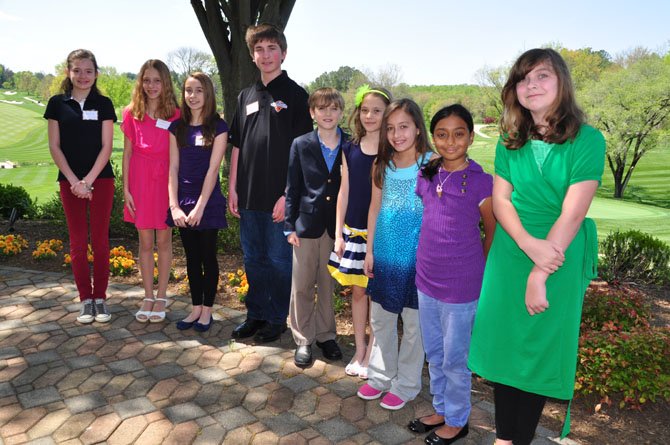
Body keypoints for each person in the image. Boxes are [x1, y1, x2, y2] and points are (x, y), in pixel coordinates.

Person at [468, 48, 606, 445]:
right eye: (524, 79)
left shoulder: (588, 139)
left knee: (536, 349)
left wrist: (541, 269)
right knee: (508, 347)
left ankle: (515, 438)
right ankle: (505, 438)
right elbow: (502, 201)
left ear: (562, 82)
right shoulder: (510, 141)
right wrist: (528, 246)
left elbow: (573, 213)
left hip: (558, 253)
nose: (532, 85)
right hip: (513, 249)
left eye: (542, 76)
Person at [408, 105, 496, 445]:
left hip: (462, 285)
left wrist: (482, 270)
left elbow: (492, 229)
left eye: (459, 133)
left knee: (456, 358)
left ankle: (458, 421)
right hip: (426, 278)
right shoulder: (427, 175)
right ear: (434, 138)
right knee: (435, 354)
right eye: (442, 134)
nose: (450, 141)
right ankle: (442, 409)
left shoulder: (480, 181)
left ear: (471, 137)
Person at [229, 23, 313, 343]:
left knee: (279, 261)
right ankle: (256, 315)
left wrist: (288, 196)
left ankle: (277, 319)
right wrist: (233, 187)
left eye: (271, 49)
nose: (266, 55)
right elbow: (237, 145)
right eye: (259, 50)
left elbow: (305, 154)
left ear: (283, 53)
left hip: (280, 199)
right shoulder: (245, 96)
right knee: (253, 259)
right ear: (253, 56)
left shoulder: (296, 96)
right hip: (248, 196)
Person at [356, 99, 433, 410]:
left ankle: (408, 384)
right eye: (390, 128)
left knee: (414, 325)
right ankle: (380, 376)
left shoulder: (431, 164)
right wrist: (369, 251)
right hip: (385, 257)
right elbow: (374, 209)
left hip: (418, 262)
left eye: (403, 127)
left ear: (417, 128)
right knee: (383, 319)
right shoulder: (381, 165)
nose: (397, 134)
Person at [44, 49, 116, 324]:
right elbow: (54, 146)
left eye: (88, 71)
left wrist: (88, 180)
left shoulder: (105, 104)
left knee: (100, 241)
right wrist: (75, 181)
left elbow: (107, 147)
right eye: (77, 70)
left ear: (96, 73)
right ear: (68, 72)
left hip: (101, 180)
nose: (83, 76)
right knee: (77, 243)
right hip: (69, 182)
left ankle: (100, 298)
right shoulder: (57, 104)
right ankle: (85, 299)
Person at [327, 84, 391, 379]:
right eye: (365, 110)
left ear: (387, 113)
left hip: (381, 233)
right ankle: (360, 349)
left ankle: (376, 353)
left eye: (376, 111)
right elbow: (344, 190)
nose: (369, 115)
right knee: (357, 292)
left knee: (377, 295)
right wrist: (339, 233)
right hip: (353, 231)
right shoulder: (349, 147)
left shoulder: (392, 149)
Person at [285, 87, 346, 367]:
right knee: (302, 285)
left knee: (327, 284)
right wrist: (289, 226)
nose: (328, 113)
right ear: (312, 113)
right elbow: (293, 187)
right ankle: (303, 339)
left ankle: (325, 335)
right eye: (322, 108)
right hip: (306, 226)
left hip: (337, 228)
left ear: (341, 112)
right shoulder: (301, 144)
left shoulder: (351, 145)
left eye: (333, 108)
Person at [167, 72, 228, 333]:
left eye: (199, 91)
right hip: (182, 200)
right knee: (191, 259)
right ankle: (194, 309)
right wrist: (175, 206)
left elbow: (213, 170)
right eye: (188, 90)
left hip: (208, 200)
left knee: (207, 257)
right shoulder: (176, 128)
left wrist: (201, 206)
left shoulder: (218, 127)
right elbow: (172, 168)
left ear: (208, 94)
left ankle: (207, 311)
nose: (193, 96)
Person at [121, 59, 180, 323]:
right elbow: (127, 153)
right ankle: (147, 295)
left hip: (165, 180)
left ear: (165, 82)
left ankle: (163, 295)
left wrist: (174, 194)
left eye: (157, 80)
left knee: (164, 241)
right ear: (140, 82)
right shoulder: (131, 112)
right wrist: (126, 189)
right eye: (147, 80)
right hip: (140, 181)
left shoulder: (176, 114)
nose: (152, 85)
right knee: (145, 242)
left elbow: (177, 156)